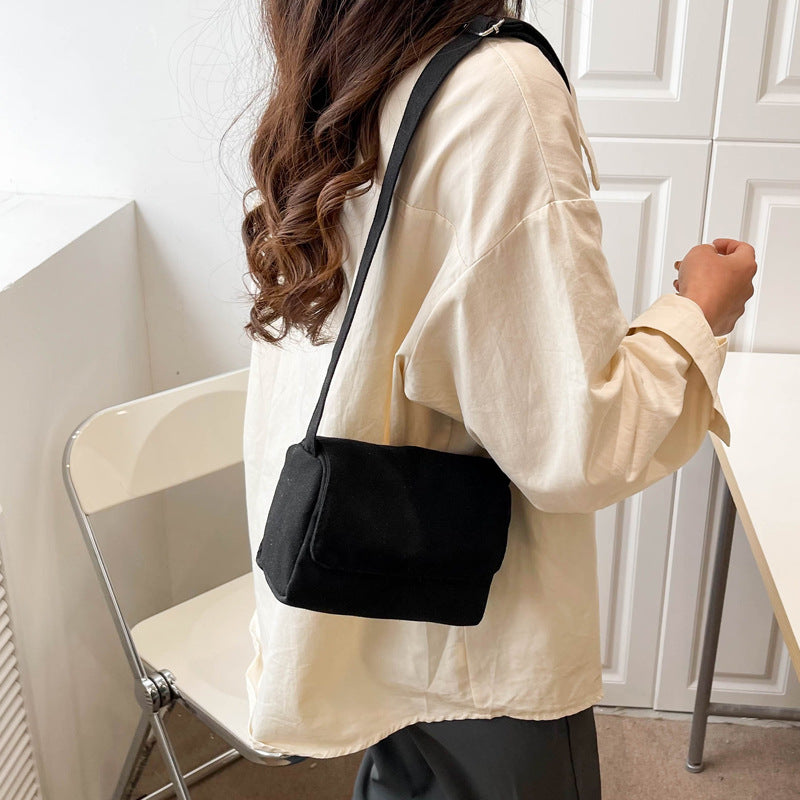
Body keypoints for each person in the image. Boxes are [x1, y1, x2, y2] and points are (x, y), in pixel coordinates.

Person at [238, 2, 757, 798]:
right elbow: (580, 443)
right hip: (474, 634)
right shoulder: (498, 90)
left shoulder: (335, 75)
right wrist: (700, 311)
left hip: (346, 580)